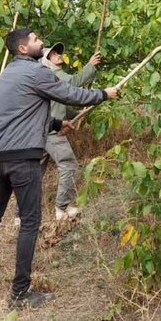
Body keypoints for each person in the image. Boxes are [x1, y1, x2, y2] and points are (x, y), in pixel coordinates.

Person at [0, 28, 119, 309]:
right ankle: (20, 294)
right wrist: (105, 93)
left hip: (0, 157)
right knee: (30, 223)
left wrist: (56, 125)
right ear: (22, 49)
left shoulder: (6, 75)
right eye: (35, 40)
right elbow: (71, 94)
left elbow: (20, 113)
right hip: (23, 159)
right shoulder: (37, 72)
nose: (40, 42)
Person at [41, 42, 101, 220]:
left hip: (40, 130)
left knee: (34, 172)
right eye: (52, 54)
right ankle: (62, 208)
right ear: (46, 61)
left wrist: (78, 114)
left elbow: (59, 105)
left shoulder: (46, 79)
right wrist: (90, 66)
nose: (58, 55)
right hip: (51, 132)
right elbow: (74, 84)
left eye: (57, 52)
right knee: (69, 165)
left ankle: (20, 214)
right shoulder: (52, 74)